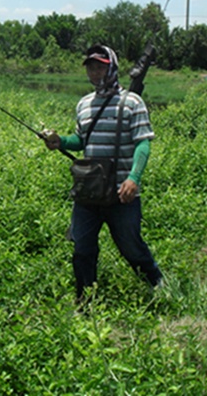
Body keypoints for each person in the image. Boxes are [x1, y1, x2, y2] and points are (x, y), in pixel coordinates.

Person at [44, 44, 163, 301]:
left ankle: (159, 285)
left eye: (101, 67)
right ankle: (85, 303)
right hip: (89, 192)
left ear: (112, 67)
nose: (96, 73)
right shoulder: (84, 104)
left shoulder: (132, 102)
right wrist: (60, 142)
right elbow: (81, 140)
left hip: (122, 193)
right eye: (91, 68)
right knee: (82, 249)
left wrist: (134, 178)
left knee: (131, 248)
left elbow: (143, 142)